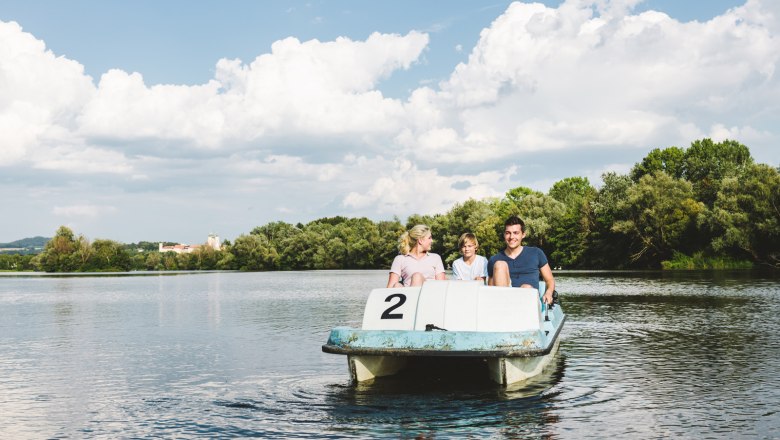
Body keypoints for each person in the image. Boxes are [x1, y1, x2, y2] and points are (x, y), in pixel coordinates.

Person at [488, 216, 555, 305]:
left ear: (523, 234)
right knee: (500, 264)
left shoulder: (536, 253)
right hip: (505, 301)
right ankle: (504, 310)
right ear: (504, 235)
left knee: (525, 288)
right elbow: (490, 288)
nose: (511, 237)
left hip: (530, 301)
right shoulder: (494, 259)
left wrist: (549, 293)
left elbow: (550, 280)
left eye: (516, 233)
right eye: (508, 233)